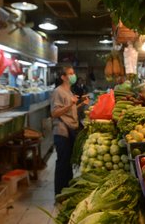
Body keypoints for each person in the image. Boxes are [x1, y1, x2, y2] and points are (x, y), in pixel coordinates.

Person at [50, 66, 89, 196]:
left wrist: (81, 104)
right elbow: (55, 113)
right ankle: (59, 193)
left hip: (70, 129)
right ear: (63, 77)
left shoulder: (69, 91)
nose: (74, 76)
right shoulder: (58, 91)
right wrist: (71, 104)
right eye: (70, 73)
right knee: (62, 163)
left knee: (68, 162)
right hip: (62, 132)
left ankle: (67, 190)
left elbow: (69, 110)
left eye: (74, 73)